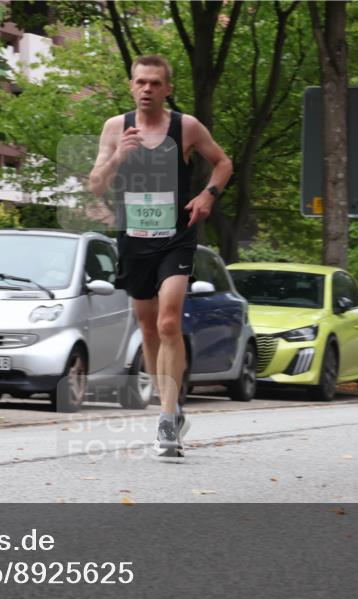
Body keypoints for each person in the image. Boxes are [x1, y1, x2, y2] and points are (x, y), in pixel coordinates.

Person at [88, 54, 233, 461]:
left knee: (169, 321)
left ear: (167, 88)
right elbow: (97, 186)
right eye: (140, 82)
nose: (147, 88)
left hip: (176, 236)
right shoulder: (115, 128)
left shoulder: (185, 126)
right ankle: (169, 403)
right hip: (134, 238)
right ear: (131, 86)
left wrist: (208, 195)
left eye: (155, 82)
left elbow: (223, 163)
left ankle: (167, 419)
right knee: (148, 328)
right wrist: (118, 156)